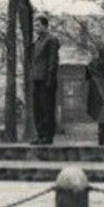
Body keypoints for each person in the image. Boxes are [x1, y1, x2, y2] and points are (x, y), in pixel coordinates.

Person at [30, 14, 60, 145]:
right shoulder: (37, 41)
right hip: (37, 79)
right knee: (38, 109)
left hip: (46, 80)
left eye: (38, 25)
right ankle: (40, 135)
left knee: (47, 108)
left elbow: (53, 61)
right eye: (34, 26)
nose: (35, 28)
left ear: (44, 26)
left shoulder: (51, 40)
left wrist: (50, 79)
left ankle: (48, 136)